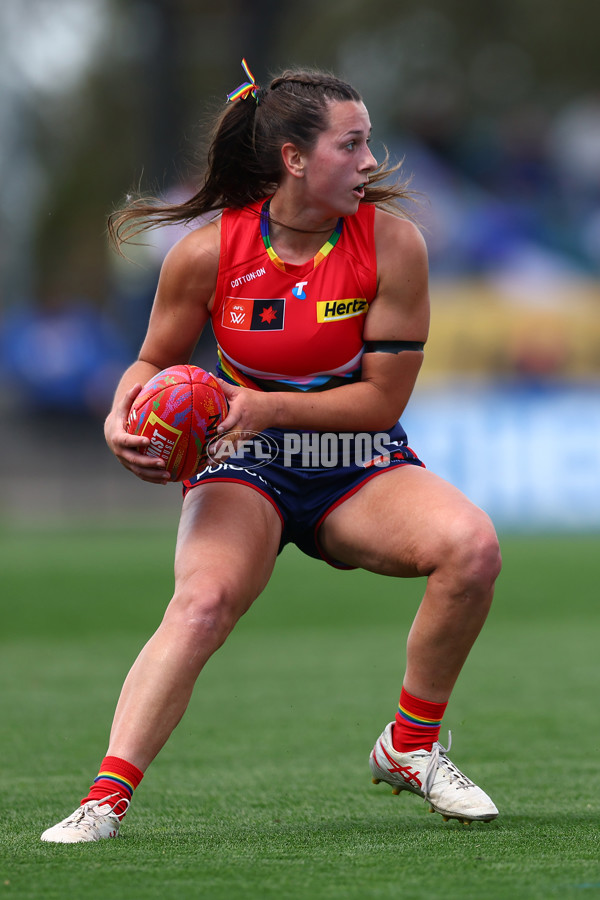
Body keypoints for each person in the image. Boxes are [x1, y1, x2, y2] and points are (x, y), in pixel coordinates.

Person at [41, 60, 501, 843]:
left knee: (473, 549)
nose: (370, 162)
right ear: (294, 159)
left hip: (352, 460)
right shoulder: (208, 251)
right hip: (242, 463)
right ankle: (103, 801)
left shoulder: (395, 246)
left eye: (368, 142)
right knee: (204, 603)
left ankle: (409, 747)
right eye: (350, 145)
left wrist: (264, 406)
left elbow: (383, 403)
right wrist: (123, 415)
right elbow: (150, 362)